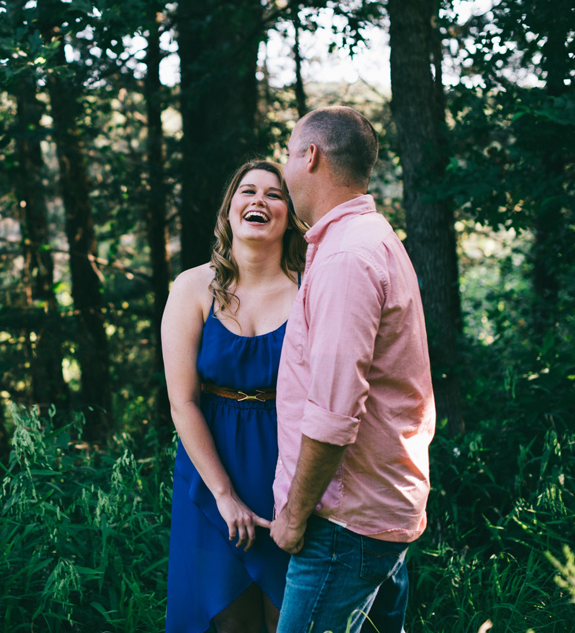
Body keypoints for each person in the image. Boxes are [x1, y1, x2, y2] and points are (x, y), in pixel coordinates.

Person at [270, 106, 436, 633]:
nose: (286, 168)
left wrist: (294, 518)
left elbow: (333, 413)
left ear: (310, 156)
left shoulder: (347, 257)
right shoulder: (368, 239)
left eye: (289, 155)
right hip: (373, 510)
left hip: (344, 523)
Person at [163, 160, 308, 633]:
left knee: (287, 615)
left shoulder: (310, 288)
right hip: (211, 468)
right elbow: (182, 401)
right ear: (230, 211)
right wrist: (223, 495)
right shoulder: (192, 287)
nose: (259, 201)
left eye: (274, 194)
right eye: (248, 191)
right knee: (226, 620)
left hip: (286, 466)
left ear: (289, 216)